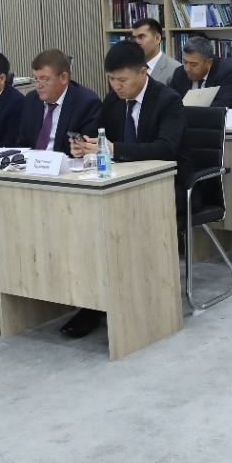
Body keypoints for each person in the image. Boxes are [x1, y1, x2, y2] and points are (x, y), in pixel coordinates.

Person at [63, 40, 188, 339]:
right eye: (111, 80)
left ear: (142, 72)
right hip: (122, 182)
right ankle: (94, 301)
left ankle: (134, 301)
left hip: (167, 186)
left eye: (122, 80)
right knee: (82, 221)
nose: (116, 86)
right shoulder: (113, 101)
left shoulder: (168, 100)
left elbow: (165, 149)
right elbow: (98, 136)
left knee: (114, 226)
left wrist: (113, 149)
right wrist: (84, 146)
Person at [19, 49, 103, 152]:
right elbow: (22, 143)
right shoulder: (31, 100)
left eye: (44, 80)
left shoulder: (87, 103)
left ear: (63, 78)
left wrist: (78, 149)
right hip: (32, 160)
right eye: (36, 79)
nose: (38, 86)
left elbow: (87, 148)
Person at [168, 34, 232, 109]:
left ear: (208, 63)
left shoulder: (227, 74)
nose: (187, 69)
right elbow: (169, 100)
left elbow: (221, 106)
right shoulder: (180, 73)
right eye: (185, 62)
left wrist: (186, 110)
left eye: (193, 64)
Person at [131, 18, 178, 85]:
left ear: (157, 38)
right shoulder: (130, 66)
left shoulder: (175, 69)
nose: (136, 42)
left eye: (141, 37)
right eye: (134, 38)